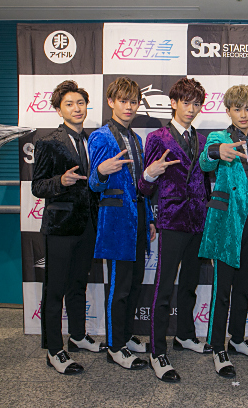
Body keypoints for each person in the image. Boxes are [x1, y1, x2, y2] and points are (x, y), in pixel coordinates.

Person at [138, 78, 213, 382]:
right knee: (164, 287)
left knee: (190, 284)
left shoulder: (203, 140)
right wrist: (149, 174)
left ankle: (185, 335)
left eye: (196, 103)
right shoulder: (157, 137)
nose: (191, 109)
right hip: (171, 220)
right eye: (186, 102)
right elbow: (144, 188)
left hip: (198, 221)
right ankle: (157, 350)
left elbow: (206, 183)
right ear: (173, 103)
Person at [32, 80, 105, 374]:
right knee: (55, 290)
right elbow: (38, 186)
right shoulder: (48, 142)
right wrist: (60, 181)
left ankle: (77, 336)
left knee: (78, 285)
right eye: (70, 104)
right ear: (59, 110)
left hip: (87, 226)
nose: (77, 109)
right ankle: (54, 349)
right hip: (60, 227)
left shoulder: (92, 141)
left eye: (81, 103)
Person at [199, 84, 248, 378]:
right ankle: (217, 346)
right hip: (228, 224)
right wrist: (218, 151)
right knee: (222, 289)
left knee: (244, 287)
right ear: (228, 110)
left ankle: (237, 339)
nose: (243, 114)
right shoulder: (220, 137)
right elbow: (205, 160)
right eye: (237, 108)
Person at [88, 77, 156, 371]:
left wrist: (149, 218)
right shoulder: (100, 137)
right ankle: (115, 347)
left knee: (135, 283)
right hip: (116, 222)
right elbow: (93, 183)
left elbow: (141, 185)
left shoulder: (137, 139)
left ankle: (126, 336)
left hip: (138, 218)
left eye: (133, 101)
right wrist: (102, 171)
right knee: (120, 287)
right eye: (123, 101)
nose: (129, 106)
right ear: (111, 102)